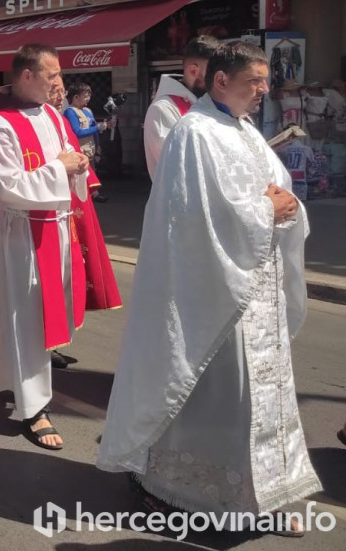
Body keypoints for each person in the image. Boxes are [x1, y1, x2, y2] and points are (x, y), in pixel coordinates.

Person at [98, 42, 319, 534]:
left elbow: (278, 187)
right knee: (215, 397)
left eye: (264, 81)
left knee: (262, 401)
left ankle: (263, 493)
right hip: (217, 293)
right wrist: (266, 211)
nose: (264, 90)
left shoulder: (243, 129)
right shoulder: (193, 133)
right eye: (255, 81)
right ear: (221, 80)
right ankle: (176, 487)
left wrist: (285, 207)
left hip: (258, 287)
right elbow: (194, 216)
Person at [0, 45, 90, 450]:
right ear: (27, 75)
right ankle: (33, 408)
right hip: (22, 233)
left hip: (55, 228)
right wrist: (59, 169)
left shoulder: (51, 116)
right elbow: (5, 189)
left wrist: (76, 165)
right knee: (26, 318)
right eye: (51, 74)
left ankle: (14, 383)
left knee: (38, 318)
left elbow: (69, 161)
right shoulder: (1, 127)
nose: (58, 82)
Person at [48, 80, 123, 368]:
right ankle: (47, 343)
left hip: (71, 208)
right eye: (53, 92)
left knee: (69, 278)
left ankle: (58, 338)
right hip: (46, 213)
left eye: (60, 93)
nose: (58, 98)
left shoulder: (60, 120)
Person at [143, 35, 222, 179]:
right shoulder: (163, 109)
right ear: (193, 71)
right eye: (215, 75)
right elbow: (178, 166)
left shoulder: (209, 102)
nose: (220, 82)